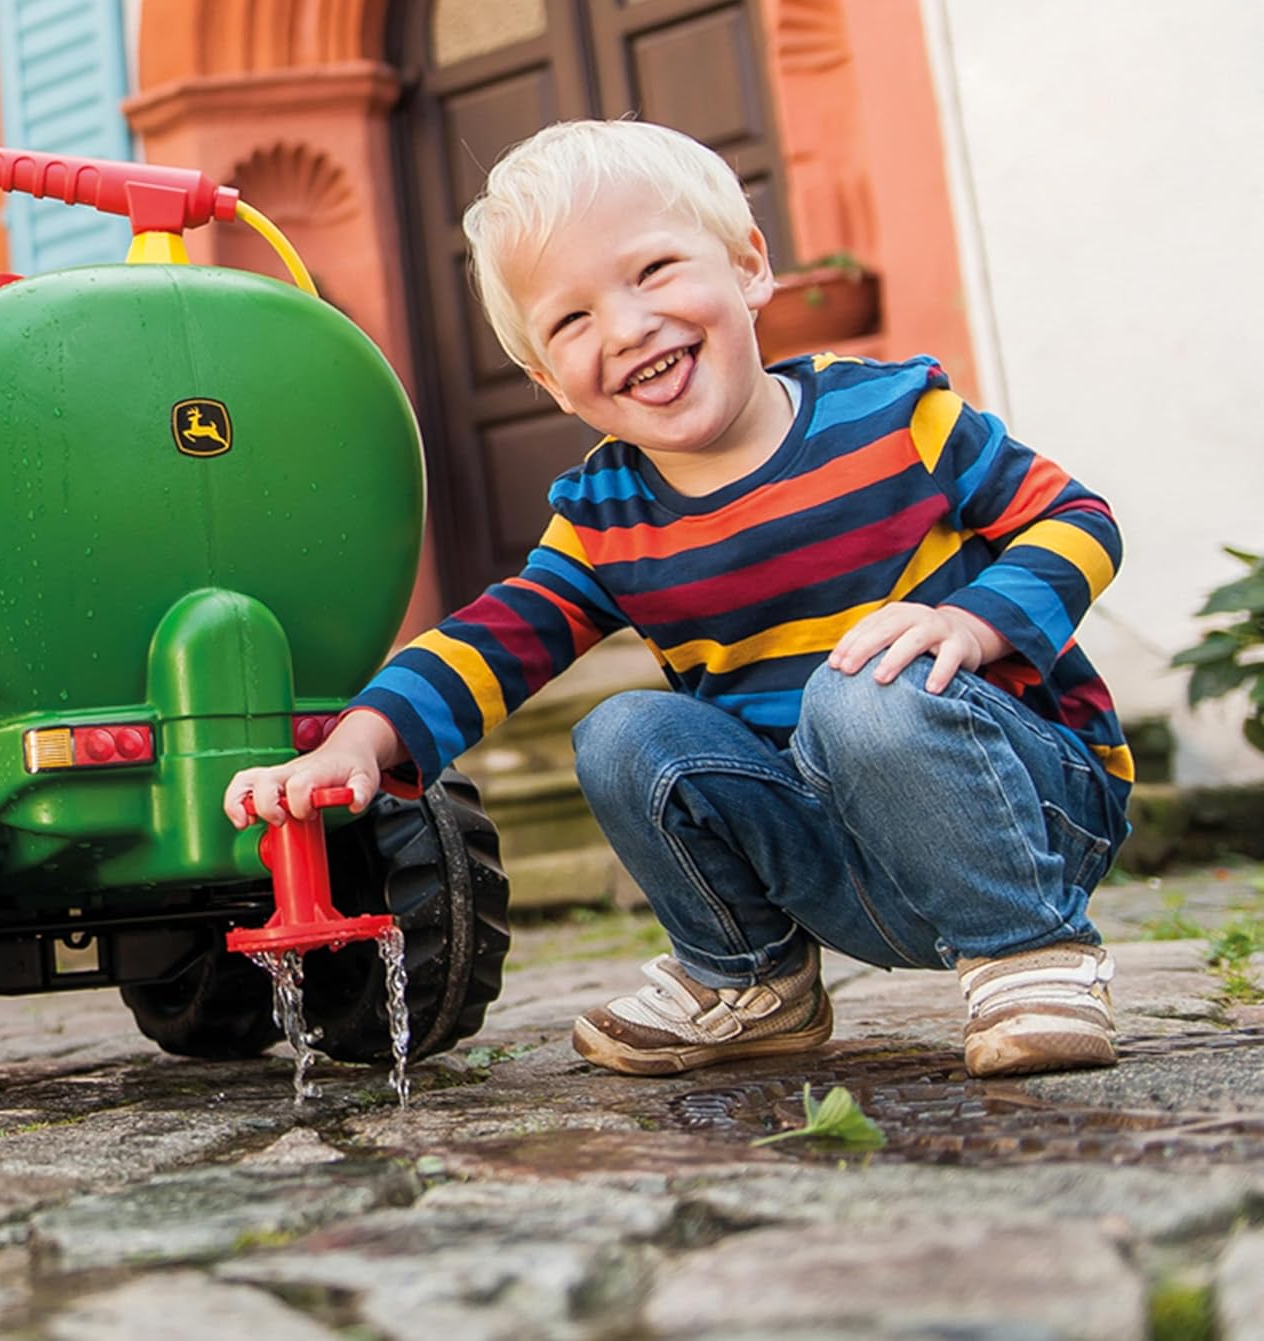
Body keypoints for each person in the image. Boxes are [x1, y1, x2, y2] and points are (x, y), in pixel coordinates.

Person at [224, 119, 1131, 1081]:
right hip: (829, 852)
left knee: (858, 691)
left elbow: (1076, 518)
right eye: (570, 321)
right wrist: (359, 738)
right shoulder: (607, 516)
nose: (624, 328)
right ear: (545, 379)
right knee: (622, 731)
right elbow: (491, 640)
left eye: (653, 271)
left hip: (1023, 811)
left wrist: (972, 622)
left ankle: (1034, 953)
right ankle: (749, 977)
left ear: (748, 266)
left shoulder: (898, 417)